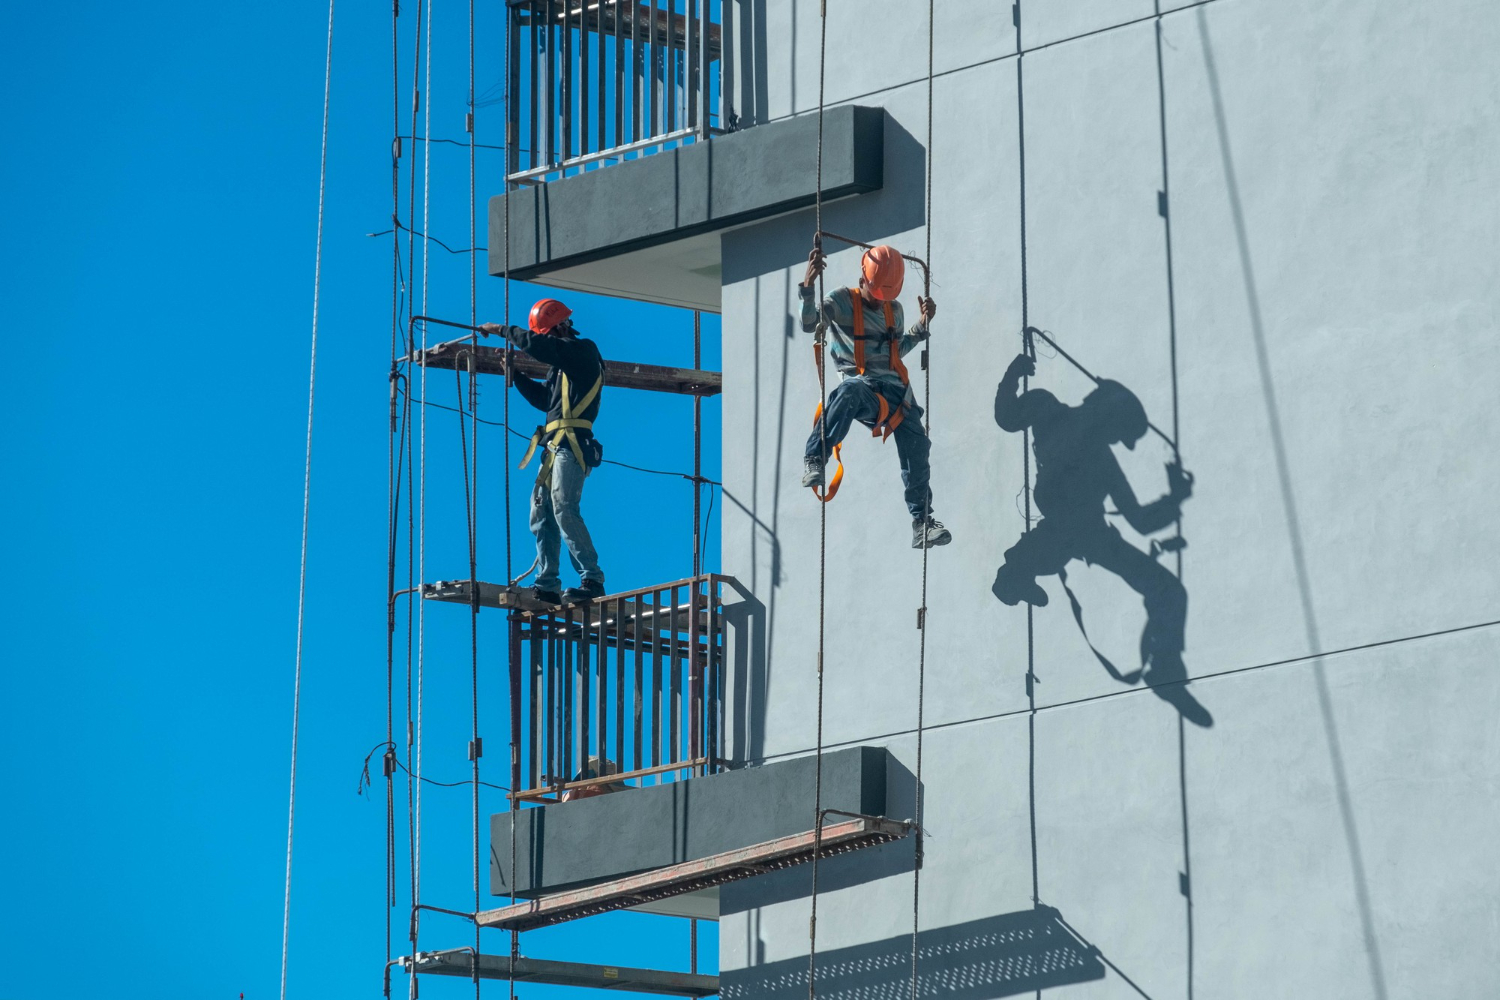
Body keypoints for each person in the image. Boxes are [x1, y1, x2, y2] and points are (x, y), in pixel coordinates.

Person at [992, 351, 1210, 726]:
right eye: (1119, 432)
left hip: (1078, 532)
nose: (1114, 438)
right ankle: (1016, 575)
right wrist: (1174, 500)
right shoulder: (1095, 452)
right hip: (1081, 532)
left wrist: (1012, 374)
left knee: (1162, 588)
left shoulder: (1051, 413)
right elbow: (1140, 521)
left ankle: (1017, 574)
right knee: (1167, 591)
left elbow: (1006, 417)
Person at [799, 245, 951, 549]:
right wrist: (808, 288)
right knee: (849, 390)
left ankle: (922, 522)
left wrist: (921, 326)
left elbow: (895, 350)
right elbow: (809, 324)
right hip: (864, 387)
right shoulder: (842, 301)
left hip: (897, 394)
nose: (881, 300)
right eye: (877, 293)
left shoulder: (892, 308)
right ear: (863, 280)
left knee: (918, 448)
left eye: (887, 295)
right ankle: (815, 457)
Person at [479, 298, 606, 605]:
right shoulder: (562, 369)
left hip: (572, 445)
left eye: (548, 333)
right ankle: (547, 584)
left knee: (563, 506)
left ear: (562, 327)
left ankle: (592, 578)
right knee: (542, 513)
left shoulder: (583, 352)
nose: (545, 341)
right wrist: (515, 373)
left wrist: (501, 329)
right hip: (554, 446)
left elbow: (542, 347)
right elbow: (544, 400)